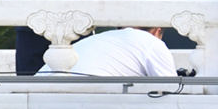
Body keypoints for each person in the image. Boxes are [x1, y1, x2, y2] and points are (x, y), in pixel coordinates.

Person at [36, 27, 176, 77]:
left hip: (36, 89)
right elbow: (173, 92)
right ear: (157, 32)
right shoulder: (153, 43)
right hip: (81, 100)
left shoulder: (105, 37)